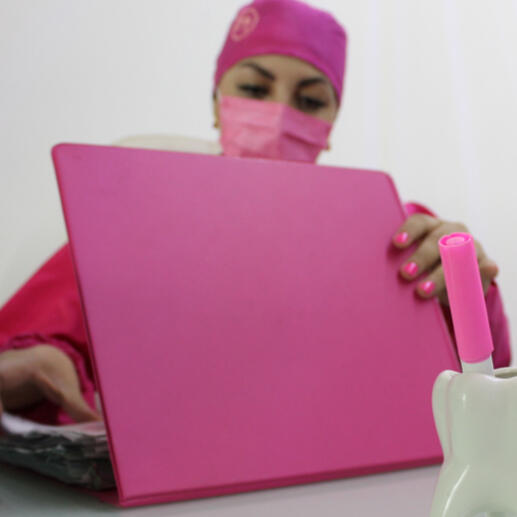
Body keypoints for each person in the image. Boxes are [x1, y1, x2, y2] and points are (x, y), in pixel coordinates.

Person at [0, 0, 511, 425]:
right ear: (216, 103)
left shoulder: (396, 232)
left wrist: (469, 291)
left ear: (331, 125)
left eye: (309, 101)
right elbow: (34, 340)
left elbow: (487, 392)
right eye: (254, 89)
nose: (279, 113)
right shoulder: (134, 217)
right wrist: (44, 363)